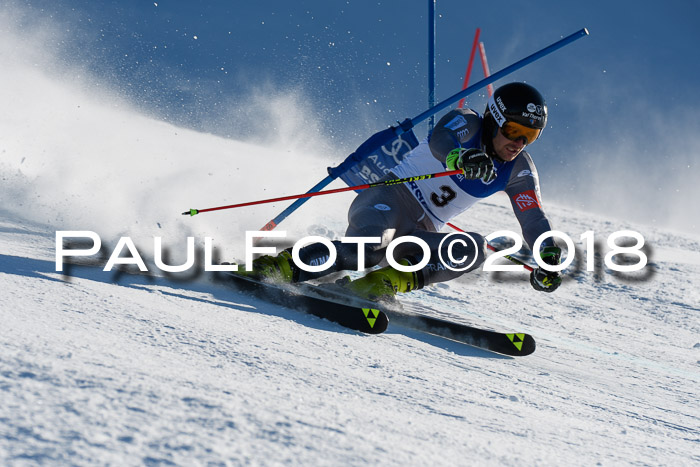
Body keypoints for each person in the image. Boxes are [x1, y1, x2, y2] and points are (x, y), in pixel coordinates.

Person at [242, 82, 563, 299]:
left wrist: (548, 256)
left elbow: (533, 218)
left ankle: (380, 284)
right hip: (388, 199)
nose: (518, 143)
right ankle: (280, 266)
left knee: (474, 249)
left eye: (530, 136)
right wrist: (459, 156)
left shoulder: (519, 170)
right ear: (494, 118)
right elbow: (442, 140)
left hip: (421, 232)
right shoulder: (468, 123)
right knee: (365, 250)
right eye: (513, 130)